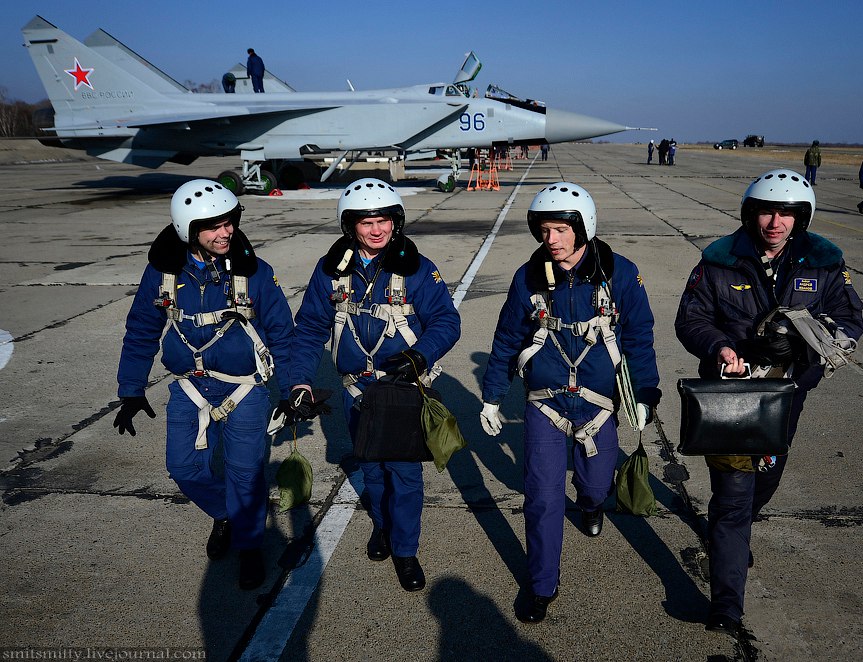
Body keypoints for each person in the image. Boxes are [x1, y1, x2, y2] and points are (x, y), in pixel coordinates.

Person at [674, 169, 863, 637]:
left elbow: (849, 320)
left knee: (766, 477)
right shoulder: (718, 261)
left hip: (787, 393)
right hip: (732, 392)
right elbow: (691, 318)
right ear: (750, 214)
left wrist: (804, 347)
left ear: (801, 217)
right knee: (733, 494)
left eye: (786, 214)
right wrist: (721, 347)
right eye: (765, 212)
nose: (775, 223)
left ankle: (731, 530)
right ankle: (726, 604)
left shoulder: (825, 262)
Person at [480, 182, 661, 623]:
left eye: (560, 230)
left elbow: (639, 338)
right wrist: (492, 397)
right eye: (544, 230)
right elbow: (507, 339)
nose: (551, 240)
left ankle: (591, 503)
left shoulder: (620, 274)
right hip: (545, 404)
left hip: (599, 405)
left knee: (596, 485)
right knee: (542, 498)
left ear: (583, 228)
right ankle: (542, 585)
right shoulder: (528, 278)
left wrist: (645, 393)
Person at [114, 179, 295, 590]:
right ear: (188, 229)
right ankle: (225, 513)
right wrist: (131, 388)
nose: (226, 232)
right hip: (189, 388)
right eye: (213, 226)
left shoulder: (255, 273)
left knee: (245, 472)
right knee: (183, 468)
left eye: (229, 222)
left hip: (244, 388)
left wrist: (292, 389)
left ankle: (249, 545)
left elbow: (283, 335)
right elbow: (141, 330)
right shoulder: (163, 274)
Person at [288, 178, 461, 592]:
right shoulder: (331, 271)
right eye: (366, 222)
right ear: (350, 226)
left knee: (404, 474)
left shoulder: (417, 268)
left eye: (383, 220)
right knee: (372, 470)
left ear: (396, 222)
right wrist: (299, 382)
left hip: (401, 390)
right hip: (357, 392)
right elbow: (309, 330)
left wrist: (420, 356)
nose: (377, 230)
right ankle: (382, 526)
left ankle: (405, 550)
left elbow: (446, 321)